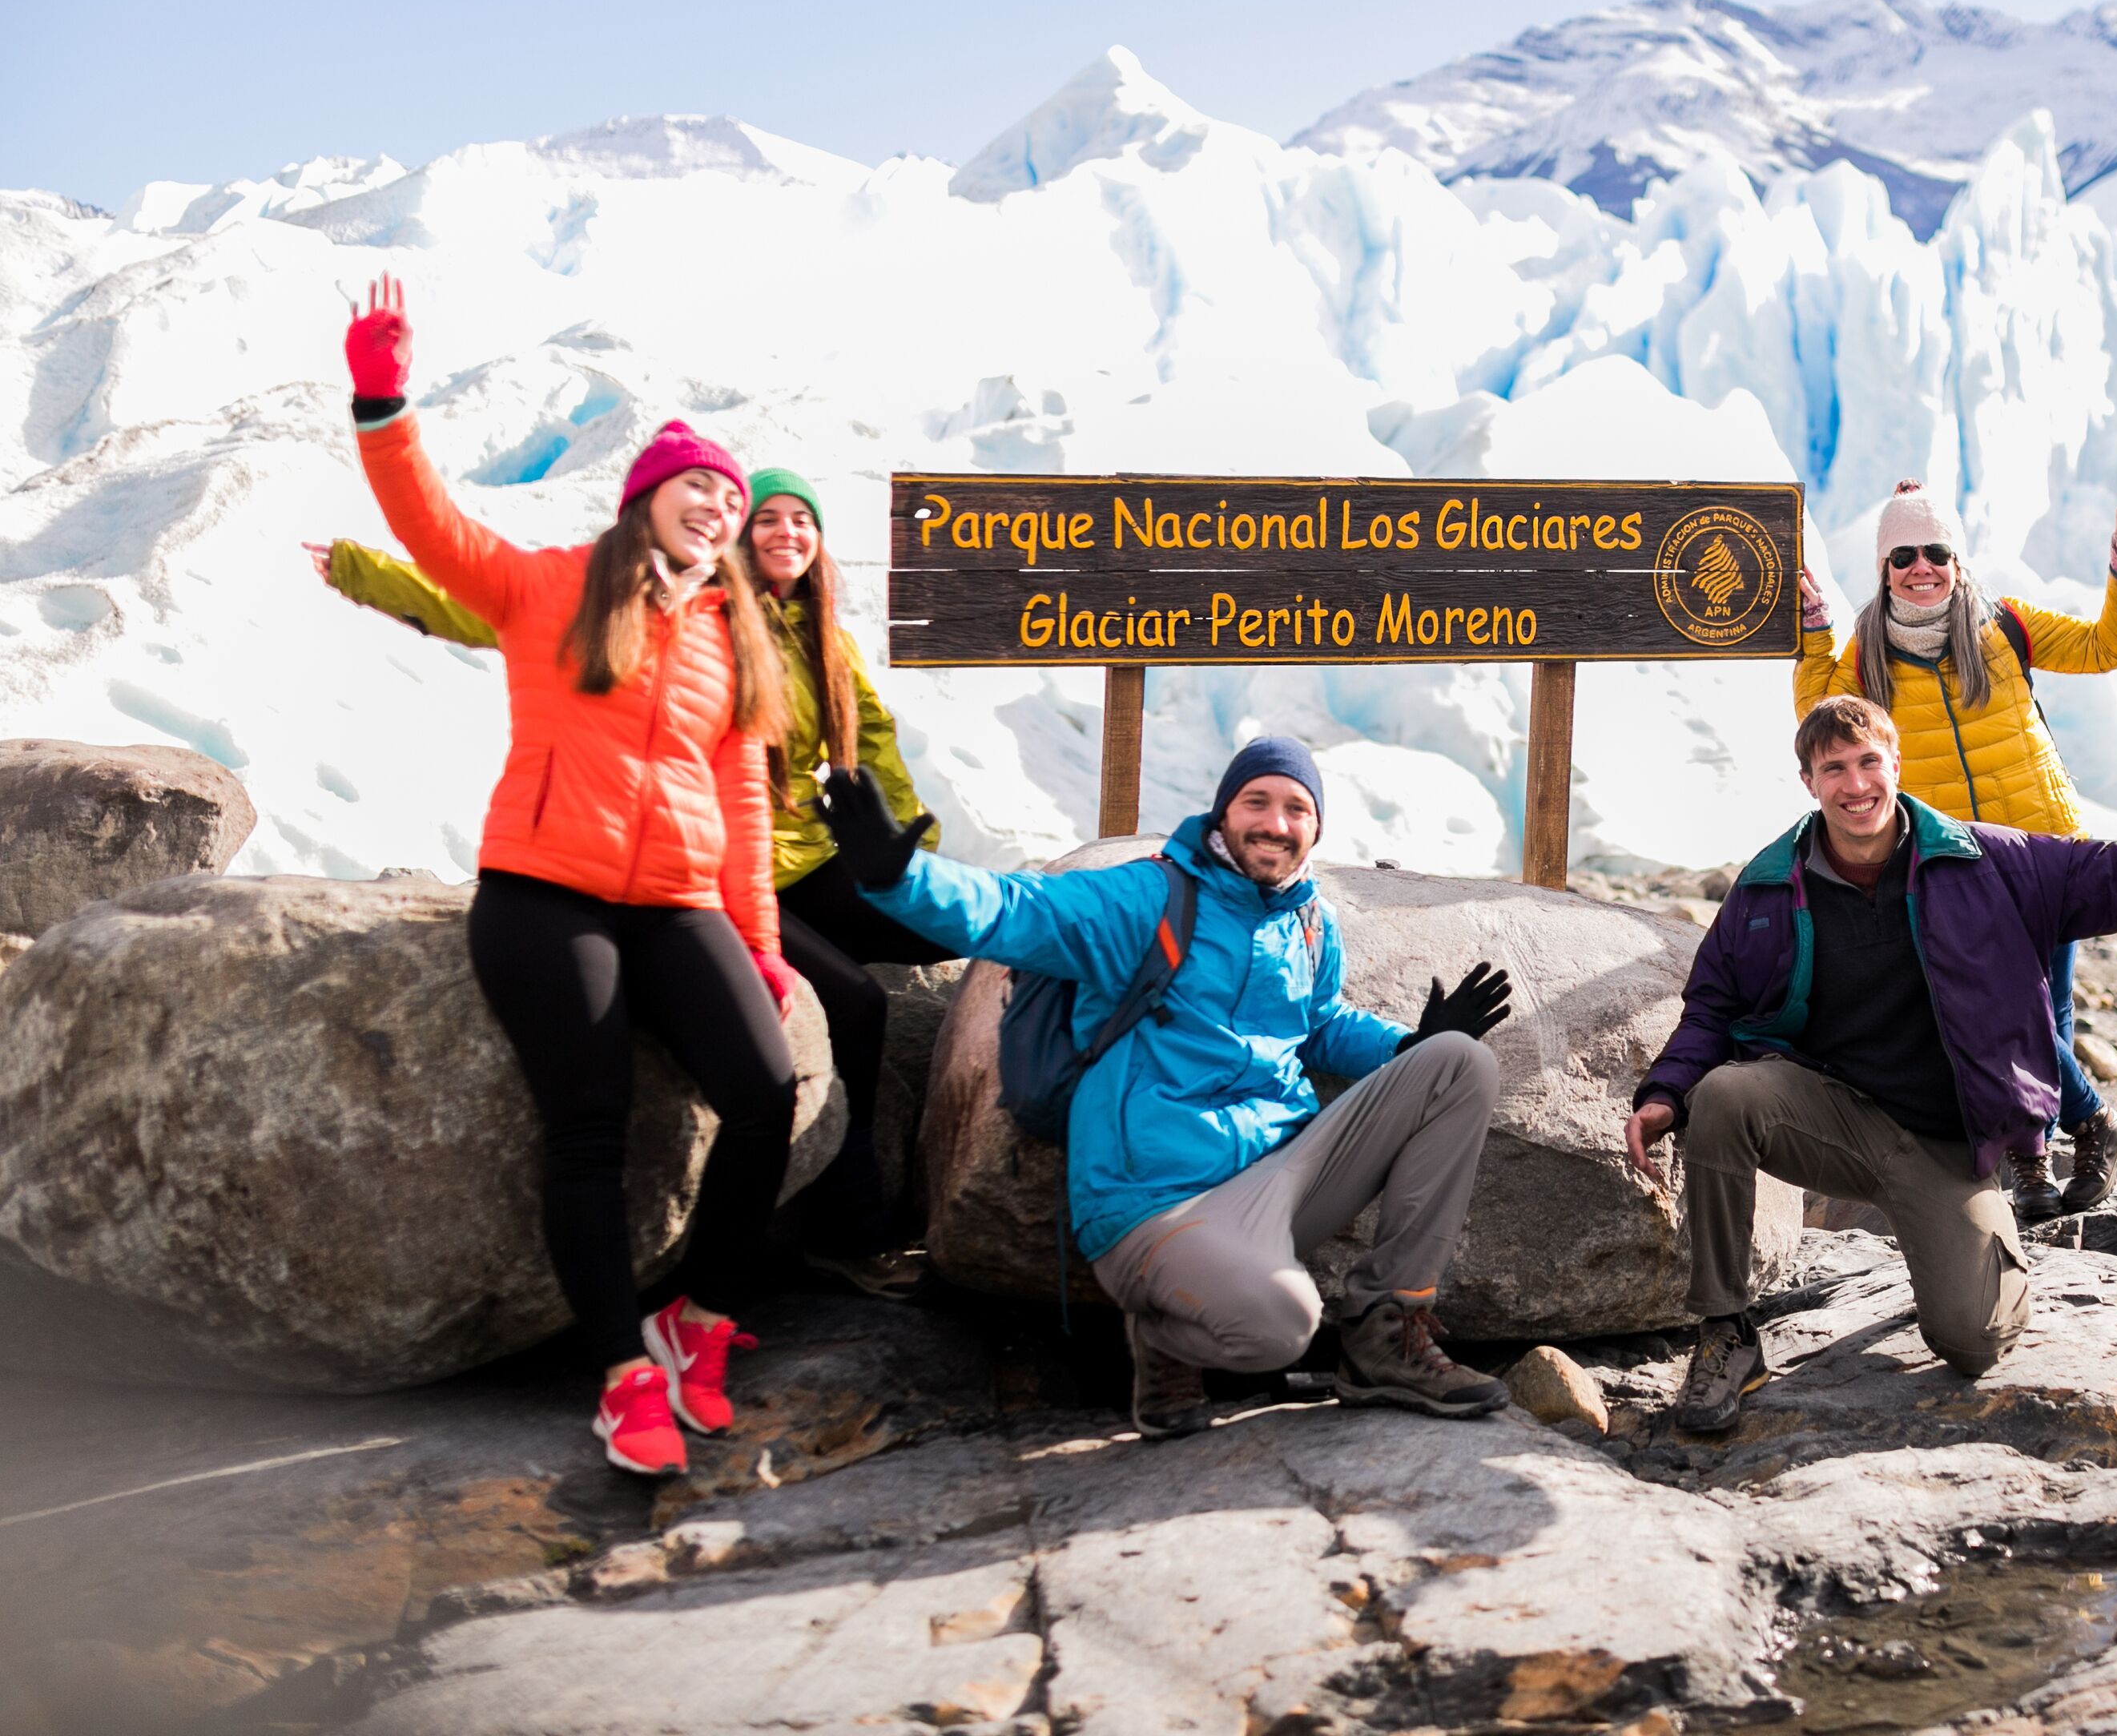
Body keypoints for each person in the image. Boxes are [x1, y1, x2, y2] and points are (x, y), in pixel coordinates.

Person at [337, 277, 803, 1480]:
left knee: (763, 1092)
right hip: (546, 893)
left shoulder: (729, 634)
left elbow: (744, 802)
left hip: (676, 904)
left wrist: (758, 938)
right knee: (587, 1124)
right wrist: (384, 400)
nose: (717, 504)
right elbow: (431, 525)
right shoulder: (550, 586)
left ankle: (694, 1322)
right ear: (647, 497)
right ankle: (621, 1371)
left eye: (731, 493)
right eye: (697, 483)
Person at [1625, 693, 2117, 1433]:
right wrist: (1665, 1093)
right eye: (1834, 768)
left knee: (1975, 1342)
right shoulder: (1766, 888)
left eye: (1869, 762)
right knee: (1722, 1095)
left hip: (1949, 1141)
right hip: (1832, 1118)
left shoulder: (1990, 862)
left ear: (1896, 765)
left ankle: (1976, 1246)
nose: (1856, 785)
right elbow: (1712, 1009)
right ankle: (1725, 1333)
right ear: (1809, 783)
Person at [307, 471, 952, 1297]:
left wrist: (910, 852)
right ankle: (848, 1220)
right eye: (768, 519)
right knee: (857, 1004)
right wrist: (370, 574)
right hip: (725, 874)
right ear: (737, 537)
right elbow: (495, 611)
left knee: (960, 941)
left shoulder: (823, 637)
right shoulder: (702, 619)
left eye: (802, 520)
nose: (786, 532)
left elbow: (876, 744)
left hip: (809, 860)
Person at [815, 734, 1520, 1439]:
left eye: (1297, 808)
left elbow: (1319, 1023)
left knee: (1458, 1062)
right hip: (1158, 1200)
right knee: (1283, 1329)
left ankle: (1384, 1332)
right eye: (1257, 801)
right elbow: (1016, 909)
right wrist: (899, 878)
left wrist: (1406, 1043)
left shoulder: (1306, 920)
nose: (1276, 822)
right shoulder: (1148, 895)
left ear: (1315, 829)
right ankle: (1164, 1336)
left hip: (1278, 1176)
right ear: (1222, 814)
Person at [1796, 483, 2117, 1222]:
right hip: (1953, 860)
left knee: (2044, 1011)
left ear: (1957, 559)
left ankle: (2036, 1155)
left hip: (2045, 844)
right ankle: (2083, 1130)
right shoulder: (1867, 657)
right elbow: (1819, 718)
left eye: (1935, 553)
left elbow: (2105, 648)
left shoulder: (2006, 626)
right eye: (1903, 556)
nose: (1920, 568)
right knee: (1997, 1011)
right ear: (1884, 565)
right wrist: (1815, 632)